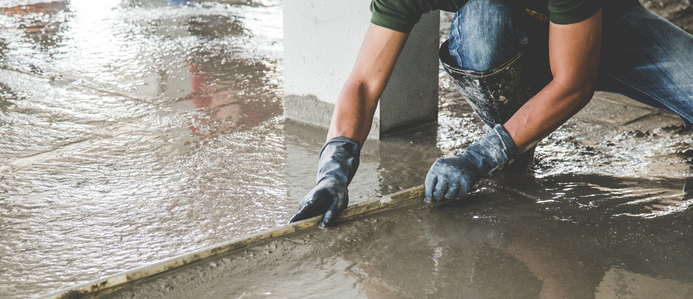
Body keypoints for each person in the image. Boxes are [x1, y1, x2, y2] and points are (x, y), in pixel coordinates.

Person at [289, 0, 693, 227]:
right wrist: (334, 169)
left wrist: (479, 156)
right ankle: (518, 139)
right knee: (485, 22)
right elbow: (362, 82)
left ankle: (509, 141)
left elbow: (574, 83)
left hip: (596, 29)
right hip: (503, 36)